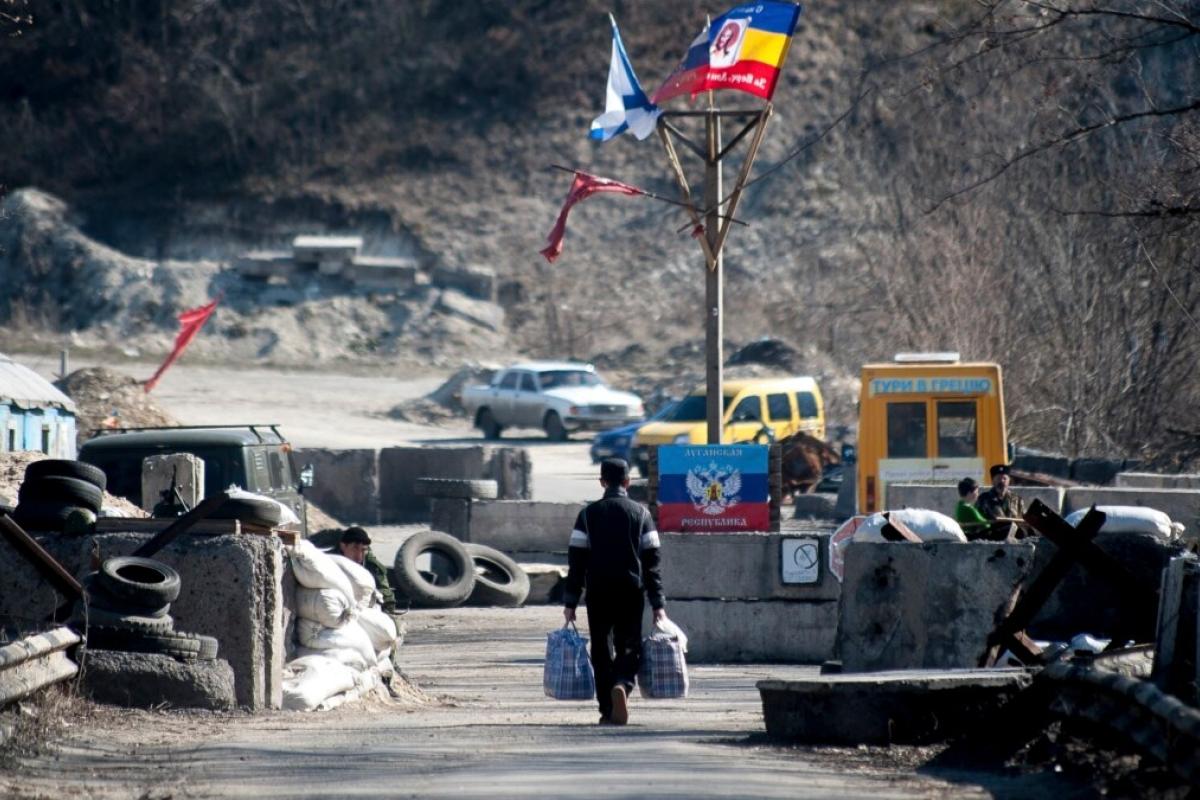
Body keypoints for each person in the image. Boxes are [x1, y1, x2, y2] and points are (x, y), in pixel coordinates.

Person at [563, 458, 665, 726]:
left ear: (602, 482)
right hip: (631, 592)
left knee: (600, 649)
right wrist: (658, 603)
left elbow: (576, 562)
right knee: (629, 646)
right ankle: (623, 684)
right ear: (628, 482)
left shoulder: (587, 515)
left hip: (598, 592)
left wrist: (570, 600)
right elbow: (652, 564)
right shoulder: (642, 515)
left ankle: (607, 709)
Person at [310, 526, 398, 614]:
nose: (359, 556)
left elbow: (384, 591)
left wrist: (388, 608)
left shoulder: (369, 563)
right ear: (343, 546)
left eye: (363, 550)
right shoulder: (329, 561)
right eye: (355, 548)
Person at [976, 464, 1025, 538]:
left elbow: (1023, 519)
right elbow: (979, 522)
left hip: (1015, 537)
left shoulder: (1017, 499)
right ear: (993, 480)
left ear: (1009, 481)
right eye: (998, 478)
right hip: (992, 536)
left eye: (1004, 478)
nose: (1002, 481)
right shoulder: (984, 499)